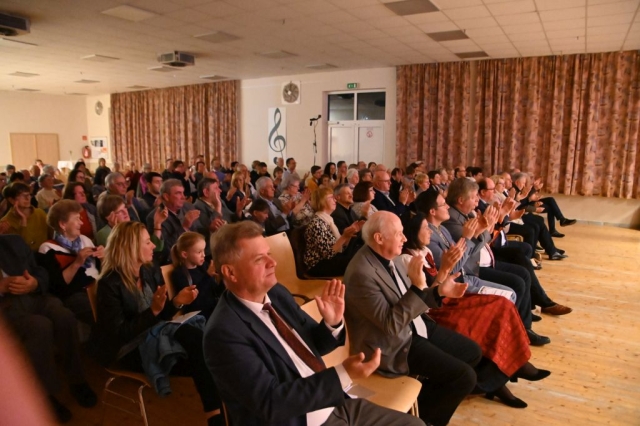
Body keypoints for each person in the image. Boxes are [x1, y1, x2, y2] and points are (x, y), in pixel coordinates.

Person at [203, 221, 423, 426]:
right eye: (259, 259)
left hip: (334, 402)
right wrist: (342, 374)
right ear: (230, 272)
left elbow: (314, 344)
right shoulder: (223, 333)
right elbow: (271, 402)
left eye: (269, 254)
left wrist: (331, 323)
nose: (273, 262)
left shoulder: (276, 294)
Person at [397, 213, 551, 408]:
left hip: (446, 298)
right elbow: (424, 300)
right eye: (425, 228)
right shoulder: (407, 259)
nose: (430, 231)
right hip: (434, 311)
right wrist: (446, 269)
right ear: (413, 233)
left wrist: (480, 232)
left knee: (502, 305)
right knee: (484, 320)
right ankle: (506, 374)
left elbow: (445, 281)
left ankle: (511, 368)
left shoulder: (425, 249)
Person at [343, 211, 477, 426]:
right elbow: (390, 325)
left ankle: (423, 408)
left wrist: (438, 292)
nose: (405, 239)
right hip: (391, 346)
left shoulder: (385, 257)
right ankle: (422, 420)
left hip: (413, 326)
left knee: (472, 353)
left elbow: (406, 302)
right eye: (399, 234)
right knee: (464, 377)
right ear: (379, 238)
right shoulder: (362, 273)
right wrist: (417, 286)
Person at [94, 221, 223, 425]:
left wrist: (176, 302)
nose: (154, 245)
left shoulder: (148, 270)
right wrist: (154, 311)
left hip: (155, 333)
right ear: (131, 247)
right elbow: (119, 334)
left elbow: (161, 314)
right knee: (202, 352)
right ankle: (219, 415)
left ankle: (218, 414)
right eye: (147, 242)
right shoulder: (109, 284)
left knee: (203, 345)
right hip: (128, 349)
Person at [0, 234, 97, 423]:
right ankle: (45, 395)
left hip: (33, 297)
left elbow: (40, 271)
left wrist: (34, 283)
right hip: (5, 310)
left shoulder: (12, 241)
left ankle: (77, 379)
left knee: (64, 316)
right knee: (39, 326)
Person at [38, 200, 103, 324]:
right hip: (75, 294)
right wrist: (77, 263)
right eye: (77, 219)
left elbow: (100, 269)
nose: (81, 223)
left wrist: (103, 257)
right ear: (63, 224)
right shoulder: (47, 248)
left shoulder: (85, 240)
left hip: (98, 286)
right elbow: (57, 286)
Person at [304, 188, 362, 277]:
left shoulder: (328, 220)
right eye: (331, 197)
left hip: (331, 260)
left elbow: (342, 248)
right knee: (357, 261)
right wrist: (344, 236)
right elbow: (328, 254)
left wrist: (349, 235)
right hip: (318, 265)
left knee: (361, 253)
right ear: (322, 201)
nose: (335, 200)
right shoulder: (317, 223)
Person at [170, 232, 223, 320]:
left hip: (214, 311)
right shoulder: (179, 274)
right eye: (199, 252)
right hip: (199, 317)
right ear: (185, 254)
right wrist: (208, 275)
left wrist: (223, 278)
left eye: (203, 250)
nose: (204, 255)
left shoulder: (203, 267)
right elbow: (194, 302)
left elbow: (215, 292)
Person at [145, 179, 200, 265]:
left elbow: (198, 234)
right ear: (166, 197)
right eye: (178, 193)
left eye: (183, 193)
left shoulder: (188, 207)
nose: (183, 197)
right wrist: (184, 227)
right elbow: (164, 250)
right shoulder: (154, 217)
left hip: (195, 257)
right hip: (174, 263)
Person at [96, 194, 167, 254]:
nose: (125, 212)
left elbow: (155, 247)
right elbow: (124, 256)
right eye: (120, 211)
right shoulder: (104, 233)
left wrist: (157, 223)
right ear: (108, 217)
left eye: (125, 208)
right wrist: (117, 231)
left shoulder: (132, 226)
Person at [0, 182, 49, 251]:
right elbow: (21, 247)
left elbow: (52, 234)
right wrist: (23, 221)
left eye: (29, 195)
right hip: (26, 256)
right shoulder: (6, 222)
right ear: (12, 200)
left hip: (45, 252)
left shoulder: (39, 213)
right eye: (23, 196)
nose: (27, 198)